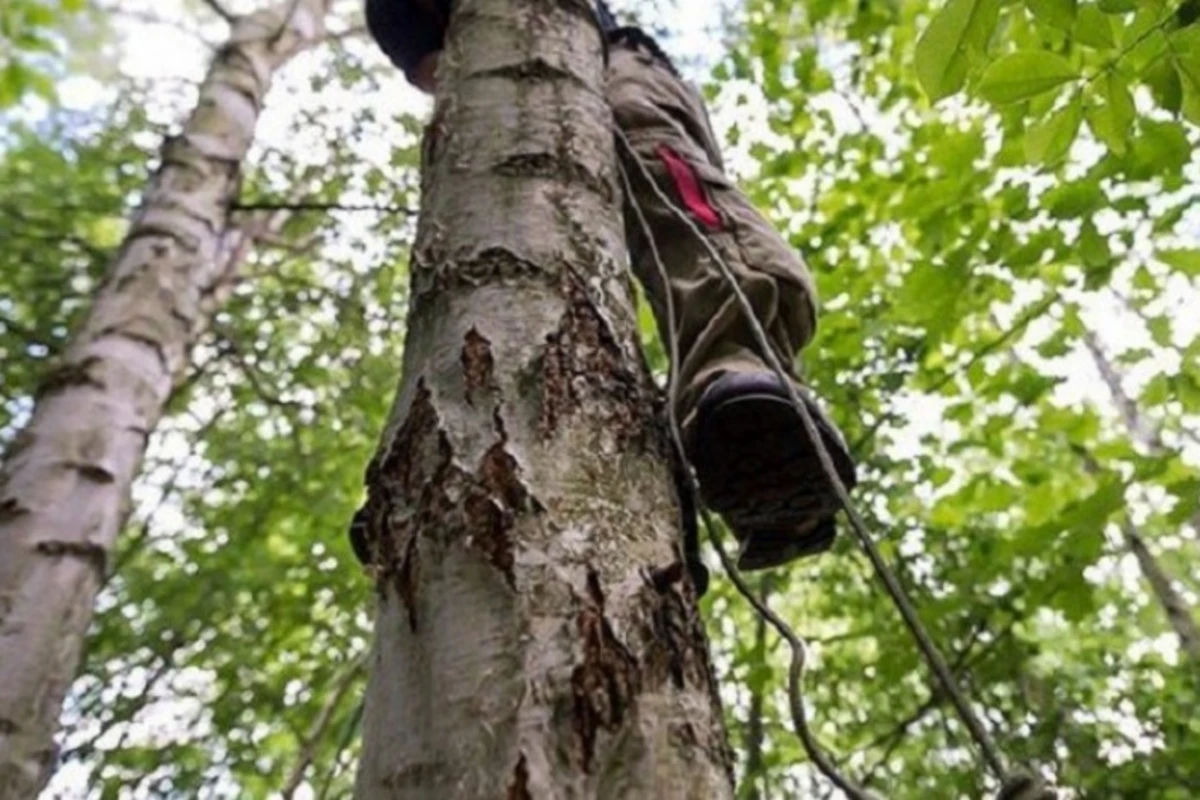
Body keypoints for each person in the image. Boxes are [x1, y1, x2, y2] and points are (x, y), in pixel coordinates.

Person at [364, 0, 857, 578]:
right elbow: (415, 50)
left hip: (609, 68)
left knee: (673, 195)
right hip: (527, 95)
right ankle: (724, 449)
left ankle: (744, 396)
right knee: (513, 244)